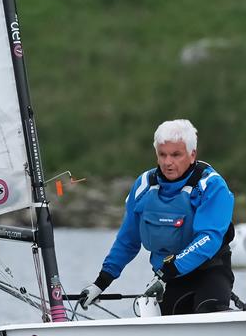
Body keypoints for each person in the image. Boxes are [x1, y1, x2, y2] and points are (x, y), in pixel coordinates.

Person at [79, 119, 235, 315]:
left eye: (176, 155)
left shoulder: (212, 185)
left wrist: (167, 271)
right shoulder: (144, 185)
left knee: (208, 309)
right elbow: (127, 241)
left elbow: (208, 238)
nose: (167, 162)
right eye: (162, 155)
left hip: (209, 273)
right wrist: (100, 283)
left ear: (192, 154)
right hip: (168, 280)